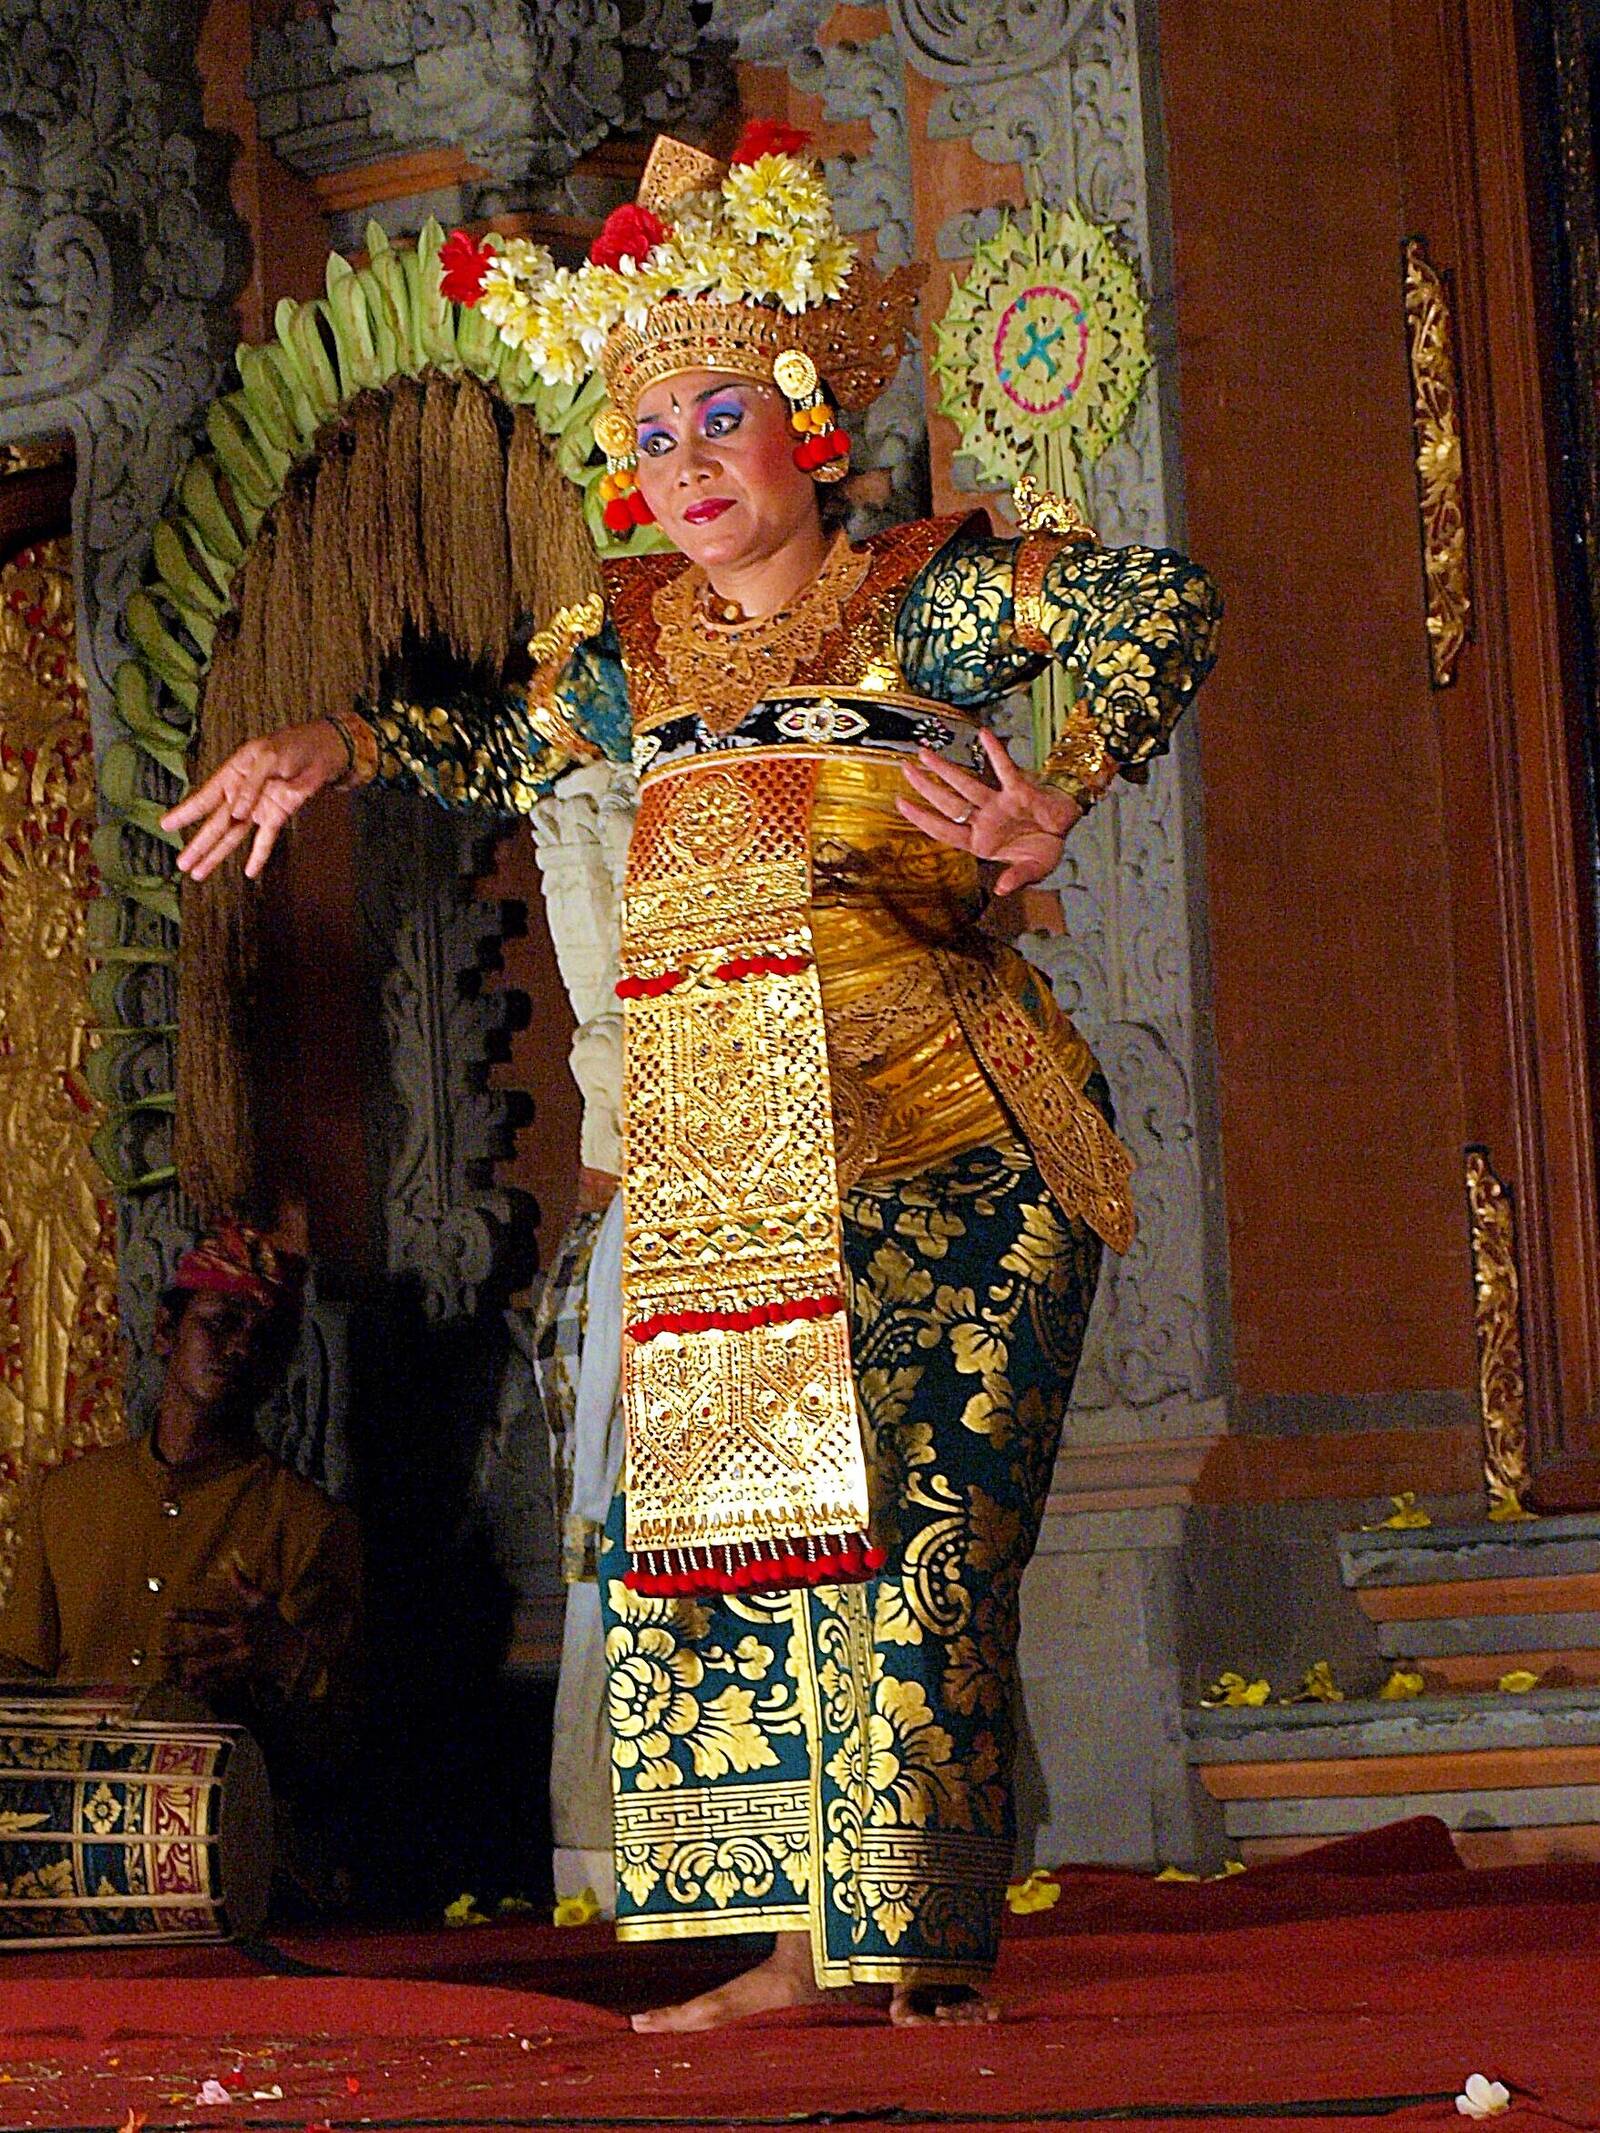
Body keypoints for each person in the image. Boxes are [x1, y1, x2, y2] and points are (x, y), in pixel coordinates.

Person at [162, 123, 1220, 2027]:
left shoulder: (919, 595)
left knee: (920, 1552)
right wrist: (329, 743)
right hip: (735, 1170)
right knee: (754, 1560)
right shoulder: (632, 646)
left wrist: (1063, 787)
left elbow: (1157, 609)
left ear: (806, 425)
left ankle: (916, 1962)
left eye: (721, 418)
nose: (686, 467)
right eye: (652, 439)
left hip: (949, 1152)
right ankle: (803, 1952)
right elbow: (490, 740)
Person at [0, 1224, 362, 1839]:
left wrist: (286, 1659)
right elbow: (20, 1675)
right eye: (221, 1324)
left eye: (264, 1339)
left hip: (217, 1840)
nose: (241, 1348)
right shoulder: (66, 1499)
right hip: (66, 1831)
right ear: (166, 1331)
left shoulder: (307, 1523)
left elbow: (347, 1742)